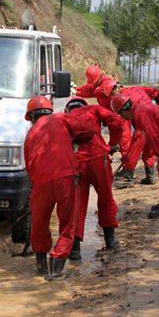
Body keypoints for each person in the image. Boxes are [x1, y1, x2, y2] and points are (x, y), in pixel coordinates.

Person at [24, 96, 95, 279]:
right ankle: (56, 269)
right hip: (66, 178)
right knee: (67, 224)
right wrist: (74, 138)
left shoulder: (29, 136)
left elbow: (29, 167)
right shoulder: (61, 118)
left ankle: (41, 267)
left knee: (39, 225)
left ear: (31, 117)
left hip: (40, 183)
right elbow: (88, 129)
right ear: (49, 110)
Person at [64, 97, 124, 258]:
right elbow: (117, 121)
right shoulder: (94, 110)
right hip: (99, 159)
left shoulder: (65, 119)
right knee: (106, 199)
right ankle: (110, 241)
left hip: (77, 163)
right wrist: (112, 143)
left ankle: (75, 249)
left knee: (77, 203)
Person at [101, 81, 159, 186]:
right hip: (154, 120)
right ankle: (150, 176)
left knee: (134, 150)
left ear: (115, 89)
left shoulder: (123, 101)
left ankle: (127, 178)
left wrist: (115, 146)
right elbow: (156, 92)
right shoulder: (136, 89)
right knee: (148, 149)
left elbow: (124, 131)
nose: (111, 99)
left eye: (111, 96)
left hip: (143, 124)